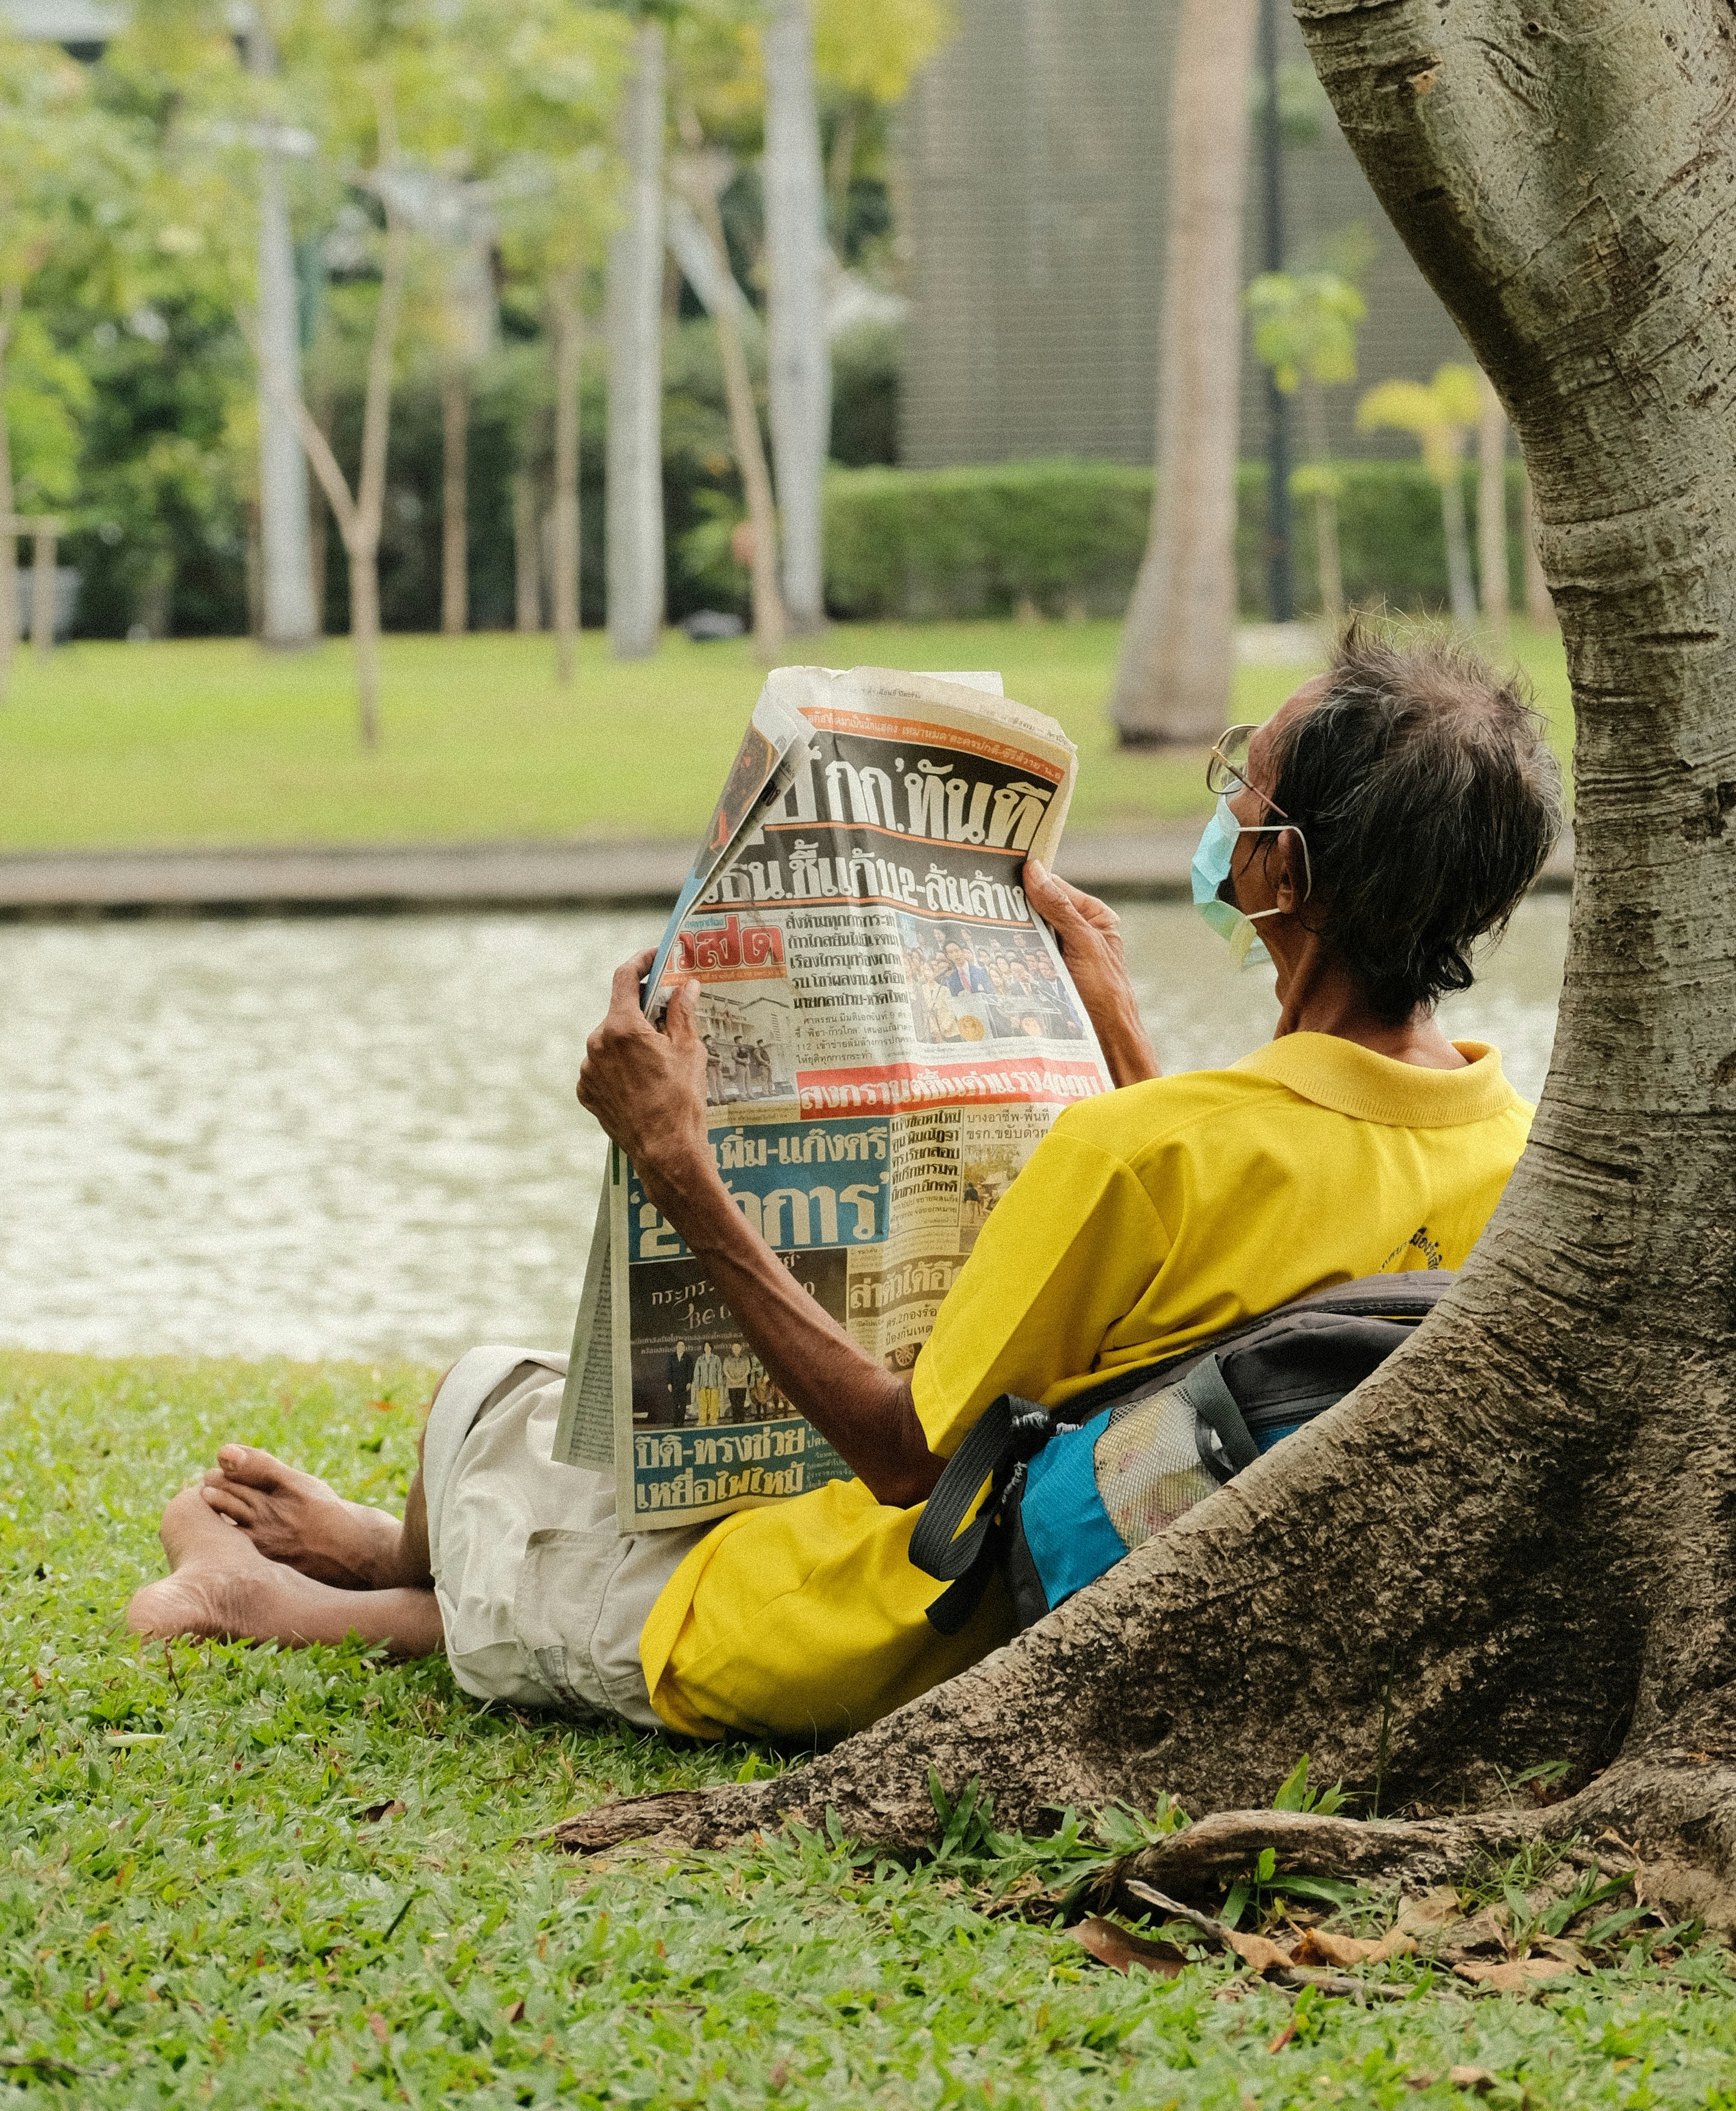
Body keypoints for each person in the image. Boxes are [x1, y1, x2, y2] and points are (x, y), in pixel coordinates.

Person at [128, 626, 1561, 1739]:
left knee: (480, 1400)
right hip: (1059, 1616)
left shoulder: (1138, 1154)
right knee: (549, 1476)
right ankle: (422, 1568)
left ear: (1277, 866)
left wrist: (676, 1162)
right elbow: (1234, 1233)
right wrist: (1111, 1005)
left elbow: (899, 1457)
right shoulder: (1514, 1146)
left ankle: (307, 1604)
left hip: (852, 1634)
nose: (1224, 801)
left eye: (1238, 781)